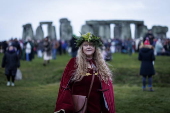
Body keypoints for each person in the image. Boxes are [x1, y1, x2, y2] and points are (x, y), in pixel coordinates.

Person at [54, 32, 115, 113]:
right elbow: (65, 86)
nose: (88, 47)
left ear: (95, 48)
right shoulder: (73, 63)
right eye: (86, 45)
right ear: (82, 48)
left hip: (96, 107)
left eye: (91, 45)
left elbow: (106, 90)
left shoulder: (101, 65)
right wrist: (65, 106)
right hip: (77, 106)